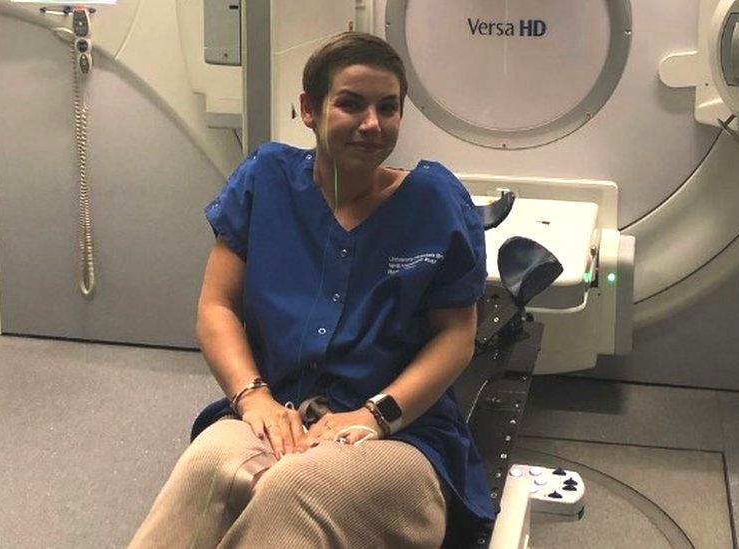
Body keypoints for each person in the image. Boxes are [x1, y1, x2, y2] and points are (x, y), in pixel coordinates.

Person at [130, 31, 494, 548]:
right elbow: (216, 307)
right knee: (208, 469)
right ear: (309, 109)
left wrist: (376, 415)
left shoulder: (435, 201)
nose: (372, 124)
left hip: (401, 434)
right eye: (350, 104)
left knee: (294, 489)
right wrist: (253, 399)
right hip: (276, 411)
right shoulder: (266, 179)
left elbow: (456, 336)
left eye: (387, 108)